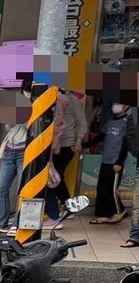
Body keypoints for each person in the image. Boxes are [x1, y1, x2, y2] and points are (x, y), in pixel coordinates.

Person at [97, 101, 139, 230]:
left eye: (120, 103)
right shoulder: (111, 120)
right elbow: (101, 137)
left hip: (116, 161)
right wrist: (82, 145)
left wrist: (119, 161)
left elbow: (127, 142)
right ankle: (104, 214)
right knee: (102, 188)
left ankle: (120, 211)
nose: (116, 106)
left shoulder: (128, 120)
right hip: (106, 159)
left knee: (111, 189)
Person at [49, 90, 87, 224]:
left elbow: (82, 122)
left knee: (56, 176)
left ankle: (69, 207)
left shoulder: (72, 99)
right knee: (52, 177)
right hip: (51, 144)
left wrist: (78, 141)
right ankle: (58, 208)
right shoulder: (49, 97)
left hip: (67, 144)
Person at [0, 117, 27, 233]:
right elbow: (9, 126)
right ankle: (2, 224)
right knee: (0, 188)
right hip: (9, 150)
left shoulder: (35, 103)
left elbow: (32, 126)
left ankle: (17, 224)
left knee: (22, 190)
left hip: (24, 151)